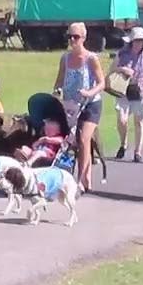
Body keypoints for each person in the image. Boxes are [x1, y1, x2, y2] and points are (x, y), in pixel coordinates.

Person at [53, 22, 106, 192]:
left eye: (75, 37)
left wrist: (90, 93)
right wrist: (57, 93)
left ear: (83, 38)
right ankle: (86, 177)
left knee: (83, 138)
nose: (72, 40)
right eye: (69, 37)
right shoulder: (65, 58)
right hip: (71, 105)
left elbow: (101, 83)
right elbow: (60, 80)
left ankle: (81, 181)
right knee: (74, 140)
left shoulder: (91, 59)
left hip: (91, 104)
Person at [112, 26, 143, 162]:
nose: (138, 43)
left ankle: (138, 152)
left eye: (141, 41)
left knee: (139, 121)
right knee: (122, 119)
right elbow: (112, 69)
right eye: (136, 41)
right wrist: (123, 69)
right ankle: (123, 143)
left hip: (141, 91)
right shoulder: (122, 53)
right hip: (124, 90)